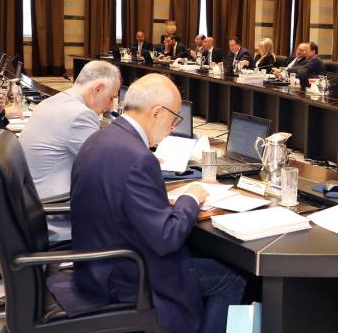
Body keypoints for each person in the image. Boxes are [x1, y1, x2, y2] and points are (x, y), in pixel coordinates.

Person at [71, 74, 245, 333]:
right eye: (174, 118)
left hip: (93, 265)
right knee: (232, 279)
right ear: (156, 113)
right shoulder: (139, 158)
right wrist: (189, 199)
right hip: (127, 275)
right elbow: (166, 238)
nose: (173, 127)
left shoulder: (100, 138)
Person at [19, 61, 121, 242]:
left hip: (30, 209)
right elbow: (108, 170)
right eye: (111, 98)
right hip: (56, 218)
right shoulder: (80, 115)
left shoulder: (52, 102)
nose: (111, 107)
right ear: (97, 89)